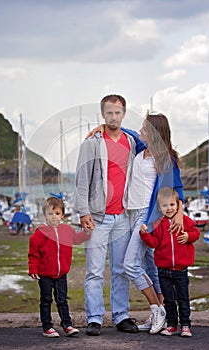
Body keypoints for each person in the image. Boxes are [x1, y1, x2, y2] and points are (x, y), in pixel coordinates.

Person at [87, 112, 184, 334]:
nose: (140, 131)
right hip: (129, 214)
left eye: (144, 129)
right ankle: (164, 314)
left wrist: (178, 212)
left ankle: (158, 309)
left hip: (147, 217)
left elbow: (176, 188)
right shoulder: (141, 150)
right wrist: (104, 126)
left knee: (130, 264)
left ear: (154, 133)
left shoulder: (166, 159)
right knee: (151, 266)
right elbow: (127, 133)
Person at [74, 94, 138, 336]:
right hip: (97, 218)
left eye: (118, 112)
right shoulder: (91, 144)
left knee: (121, 269)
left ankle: (121, 315)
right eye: (109, 113)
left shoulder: (131, 142)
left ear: (124, 114)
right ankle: (94, 318)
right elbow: (82, 181)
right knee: (94, 271)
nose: (113, 117)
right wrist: (83, 212)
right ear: (103, 114)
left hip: (123, 216)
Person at [28, 196, 92, 338]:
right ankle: (47, 327)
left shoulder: (67, 230)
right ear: (45, 215)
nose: (54, 217)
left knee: (62, 300)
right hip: (45, 274)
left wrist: (86, 233)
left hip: (61, 273)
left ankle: (67, 325)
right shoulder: (39, 233)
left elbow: (76, 240)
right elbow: (33, 254)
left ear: (62, 214)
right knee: (46, 300)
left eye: (57, 213)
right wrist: (33, 269)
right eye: (50, 214)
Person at [140, 187, 200, 337]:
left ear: (178, 205)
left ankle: (185, 325)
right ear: (159, 208)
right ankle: (172, 324)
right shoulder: (158, 225)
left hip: (181, 270)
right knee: (168, 300)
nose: (169, 208)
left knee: (183, 299)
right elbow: (153, 243)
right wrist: (144, 235)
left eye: (172, 205)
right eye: (165, 205)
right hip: (163, 270)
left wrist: (188, 236)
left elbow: (196, 233)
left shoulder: (184, 220)